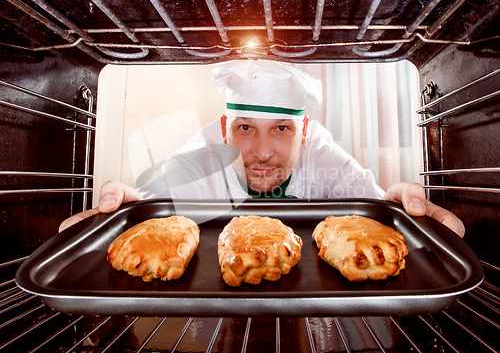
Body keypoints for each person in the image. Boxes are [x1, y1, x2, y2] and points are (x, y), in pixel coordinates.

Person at [59, 59, 465, 237]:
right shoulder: (198, 159)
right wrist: (121, 213)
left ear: (304, 131)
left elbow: (373, 206)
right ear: (223, 128)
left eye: (282, 129)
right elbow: (150, 211)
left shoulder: (321, 153)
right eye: (246, 128)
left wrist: (398, 206)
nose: (264, 151)